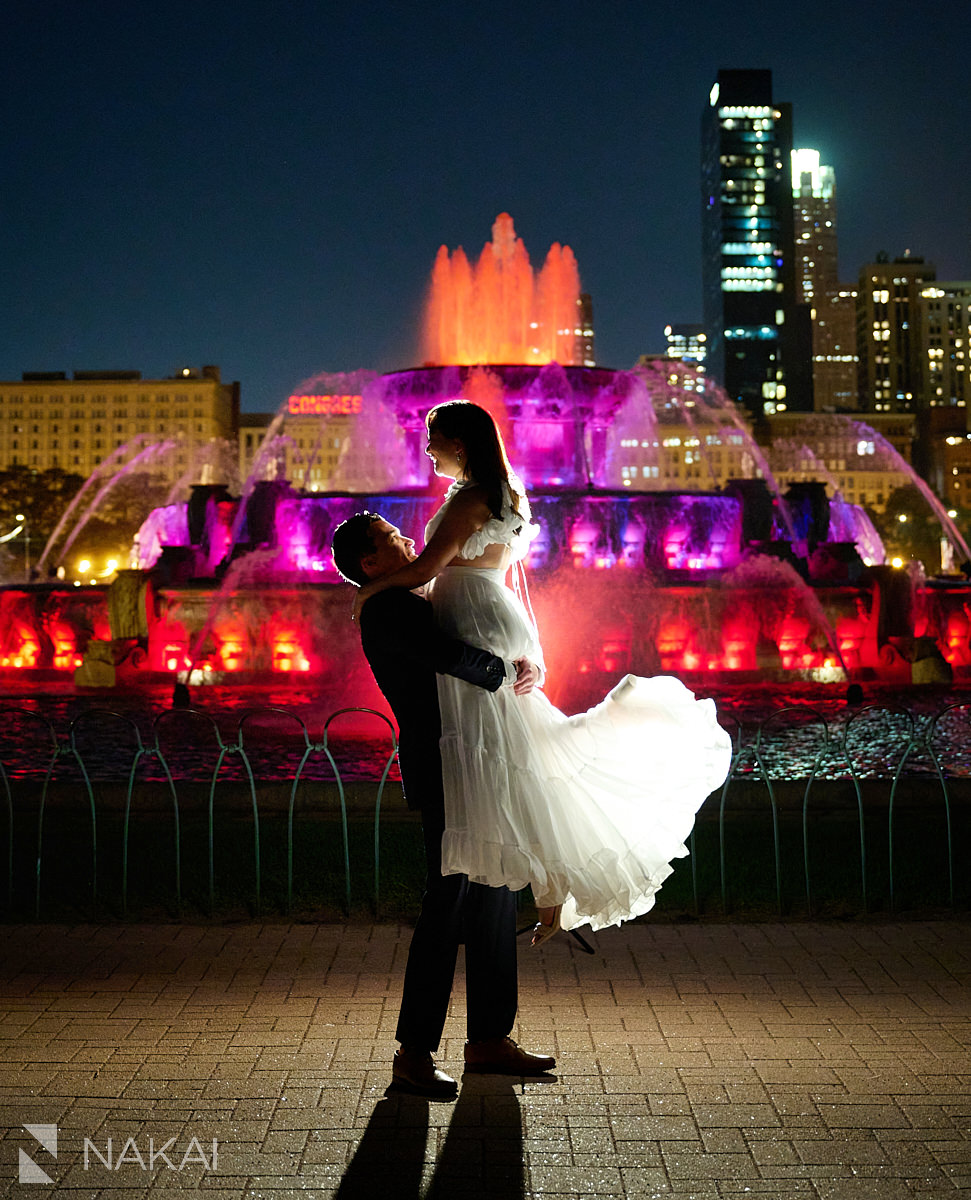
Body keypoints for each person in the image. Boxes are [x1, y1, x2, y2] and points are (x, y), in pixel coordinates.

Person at [352, 400, 734, 940]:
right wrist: (534, 645)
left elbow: (428, 566)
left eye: (433, 437)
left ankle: (547, 887)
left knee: (503, 754)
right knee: (519, 754)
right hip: (488, 612)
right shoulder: (496, 491)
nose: (427, 448)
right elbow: (512, 578)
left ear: (460, 444)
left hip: (475, 621)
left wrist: (367, 588)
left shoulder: (474, 496)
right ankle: (553, 890)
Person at [331, 512, 556, 1099]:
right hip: (446, 768)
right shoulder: (385, 608)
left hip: (475, 761)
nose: (408, 540)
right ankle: (413, 1052)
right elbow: (447, 654)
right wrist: (507, 669)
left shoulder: (409, 595)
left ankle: (488, 1039)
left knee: (494, 895)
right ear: (370, 563)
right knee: (448, 904)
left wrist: (522, 658)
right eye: (390, 540)